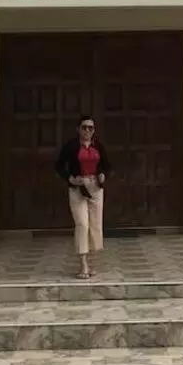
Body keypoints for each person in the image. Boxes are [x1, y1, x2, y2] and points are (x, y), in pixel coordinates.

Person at [54, 115, 111, 279]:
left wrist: (103, 175)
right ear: (78, 129)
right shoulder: (71, 146)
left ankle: (92, 262)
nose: (87, 130)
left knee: (95, 225)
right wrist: (70, 178)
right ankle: (83, 265)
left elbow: (107, 165)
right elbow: (59, 165)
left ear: (94, 130)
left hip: (95, 187)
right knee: (82, 225)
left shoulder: (98, 145)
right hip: (78, 188)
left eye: (90, 128)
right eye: (84, 127)